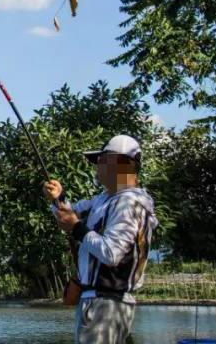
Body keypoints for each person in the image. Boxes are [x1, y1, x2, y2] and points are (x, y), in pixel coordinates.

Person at [42, 134, 159, 344]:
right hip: (99, 301)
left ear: (124, 164)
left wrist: (76, 227)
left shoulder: (128, 204)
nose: (98, 168)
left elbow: (111, 253)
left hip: (107, 303)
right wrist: (58, 198)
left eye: (103, 161)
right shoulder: (104, 199)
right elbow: (69, 214)